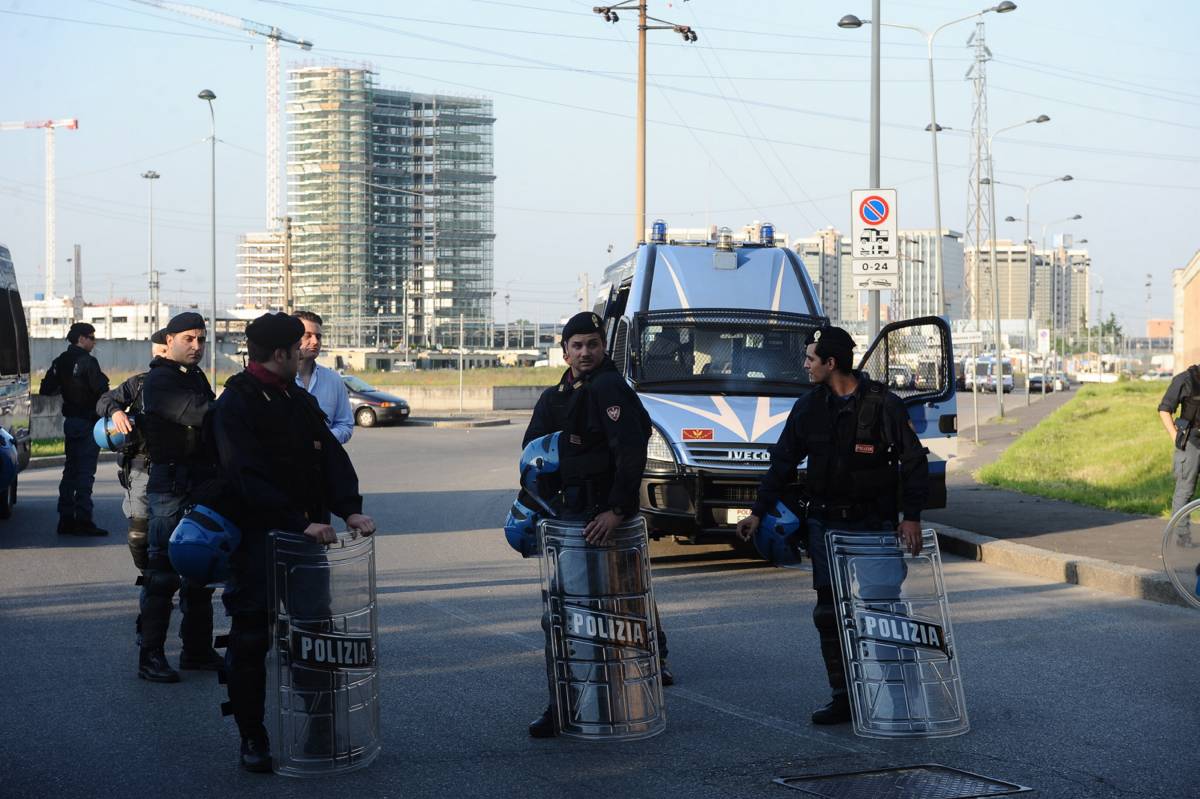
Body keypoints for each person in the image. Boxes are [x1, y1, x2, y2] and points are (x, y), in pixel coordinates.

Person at [735, 325, 929, 725]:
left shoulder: (884, 405)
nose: (805, 365)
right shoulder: (808, 407)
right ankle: (844, 696)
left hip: (873, 526)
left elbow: (914, 463)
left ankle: (903, 699)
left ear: (831, 362)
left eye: (810, 359)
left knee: (883, 610)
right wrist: (757, 511)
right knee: (829, 613)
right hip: (825, 526)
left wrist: (910, 518)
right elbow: (783, 463)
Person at [210, 312, 374, 773]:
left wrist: (350, 507)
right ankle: (253, 736)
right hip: (258, 544)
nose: (304, 351)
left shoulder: (296, 400)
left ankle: (320, 727)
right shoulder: (236, 404)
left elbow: (330, 457)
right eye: (297, 347)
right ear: (282, 353)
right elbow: (243, 477)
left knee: (313, 637)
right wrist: (295, 522)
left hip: (307, 545)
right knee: (250, 640)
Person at [522, 311, 673, 739]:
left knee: (622, 608)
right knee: (564, 614)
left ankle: (633, 690)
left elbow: (630, 451)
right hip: (568, 522)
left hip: (609, 520)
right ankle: (564, 704)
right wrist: (538, 508)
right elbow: (532, 453)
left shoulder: (609, 387)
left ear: (603, 347)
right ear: (565, 350)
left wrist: (617, 511)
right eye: (577, 345)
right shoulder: (555, 396)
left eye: (592, 344)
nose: (585, 352)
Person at [137, 312, 223, 683]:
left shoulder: (195, 376)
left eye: (201, 339)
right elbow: (199, 413)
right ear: (169, 340)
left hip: (201, 482)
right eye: (189, 338)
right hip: (170, 483)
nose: (197, 346)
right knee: (163, 573)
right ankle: (150, 655)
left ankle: (197, 649)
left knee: (200, 569)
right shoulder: (159, 379)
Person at [96, 328, 168, 646]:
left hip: (180, 471)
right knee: (139, 532)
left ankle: (159, 580)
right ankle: (148, 574)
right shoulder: (139, 384)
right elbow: (105, 400)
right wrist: (115, 412)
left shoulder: (193, 384)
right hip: (142, 468)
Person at [40, 322, 110, 536]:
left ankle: (66, 519)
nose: (93, 341)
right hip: (88, 423)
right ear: (81, 339)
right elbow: (102, 391)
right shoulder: (88, 362)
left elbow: (46, 389)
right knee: (85, 473)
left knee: (70, 471)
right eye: (91, 337)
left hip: (70, 423)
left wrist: (67, 388)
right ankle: (84, 521)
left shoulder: (60, 361)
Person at [292, 310, 353, 444]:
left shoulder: (333, 380)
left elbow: (345, 425)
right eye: (307, 335)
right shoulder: (278, 380)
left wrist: (323, 439)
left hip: (324, 461)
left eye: (318, 336)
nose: (315, 342)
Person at [1158, 363, 1200, 547]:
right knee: (1185, 490)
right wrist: (1175, 436)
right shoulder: (1186, 379)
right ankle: (1182, 538)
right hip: (1191, 440)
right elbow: (1164, 409)